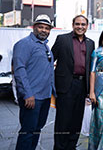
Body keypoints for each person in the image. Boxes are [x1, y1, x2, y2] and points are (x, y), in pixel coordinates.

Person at [13, 14, 56, 150]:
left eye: (47, 28)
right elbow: (19, 70)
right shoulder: (24, 44)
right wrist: (27, 94)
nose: (44, 30)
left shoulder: (45, 46)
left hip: (44, 97)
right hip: (32, 97)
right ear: (34, 27)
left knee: (37, 129)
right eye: (40, 27)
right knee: (28, 131)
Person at [52, 15, 95, 150]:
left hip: (82, 86)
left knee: (77, 121)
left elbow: (91, 67)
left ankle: (71, 147)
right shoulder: (62, 39)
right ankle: (59, 147)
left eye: (83, 24)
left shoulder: (90, 43)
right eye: (78, 24)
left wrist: (90, 90)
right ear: (72, 24)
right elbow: (50, 60)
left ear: (87, 26)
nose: (80, 27)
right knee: (63, 121)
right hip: (65, 85)